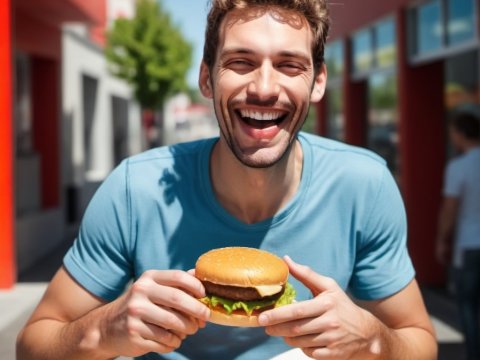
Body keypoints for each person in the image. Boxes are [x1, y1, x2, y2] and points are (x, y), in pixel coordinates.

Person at [16, 0, 437, 359]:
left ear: (318, 82)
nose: (265, 88)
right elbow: (32, 344)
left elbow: (421, 343)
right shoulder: (134, 188)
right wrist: (104, 328)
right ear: (206, 77)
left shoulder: (364, 185)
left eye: (290, 65)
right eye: (241, 62)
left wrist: (373, 340)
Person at [436, 110, 480, 360]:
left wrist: (442, 240)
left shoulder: (459, 167)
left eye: (453, 132)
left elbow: (450, 208)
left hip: (469, 245)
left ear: (461, 134)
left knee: (467, 306)